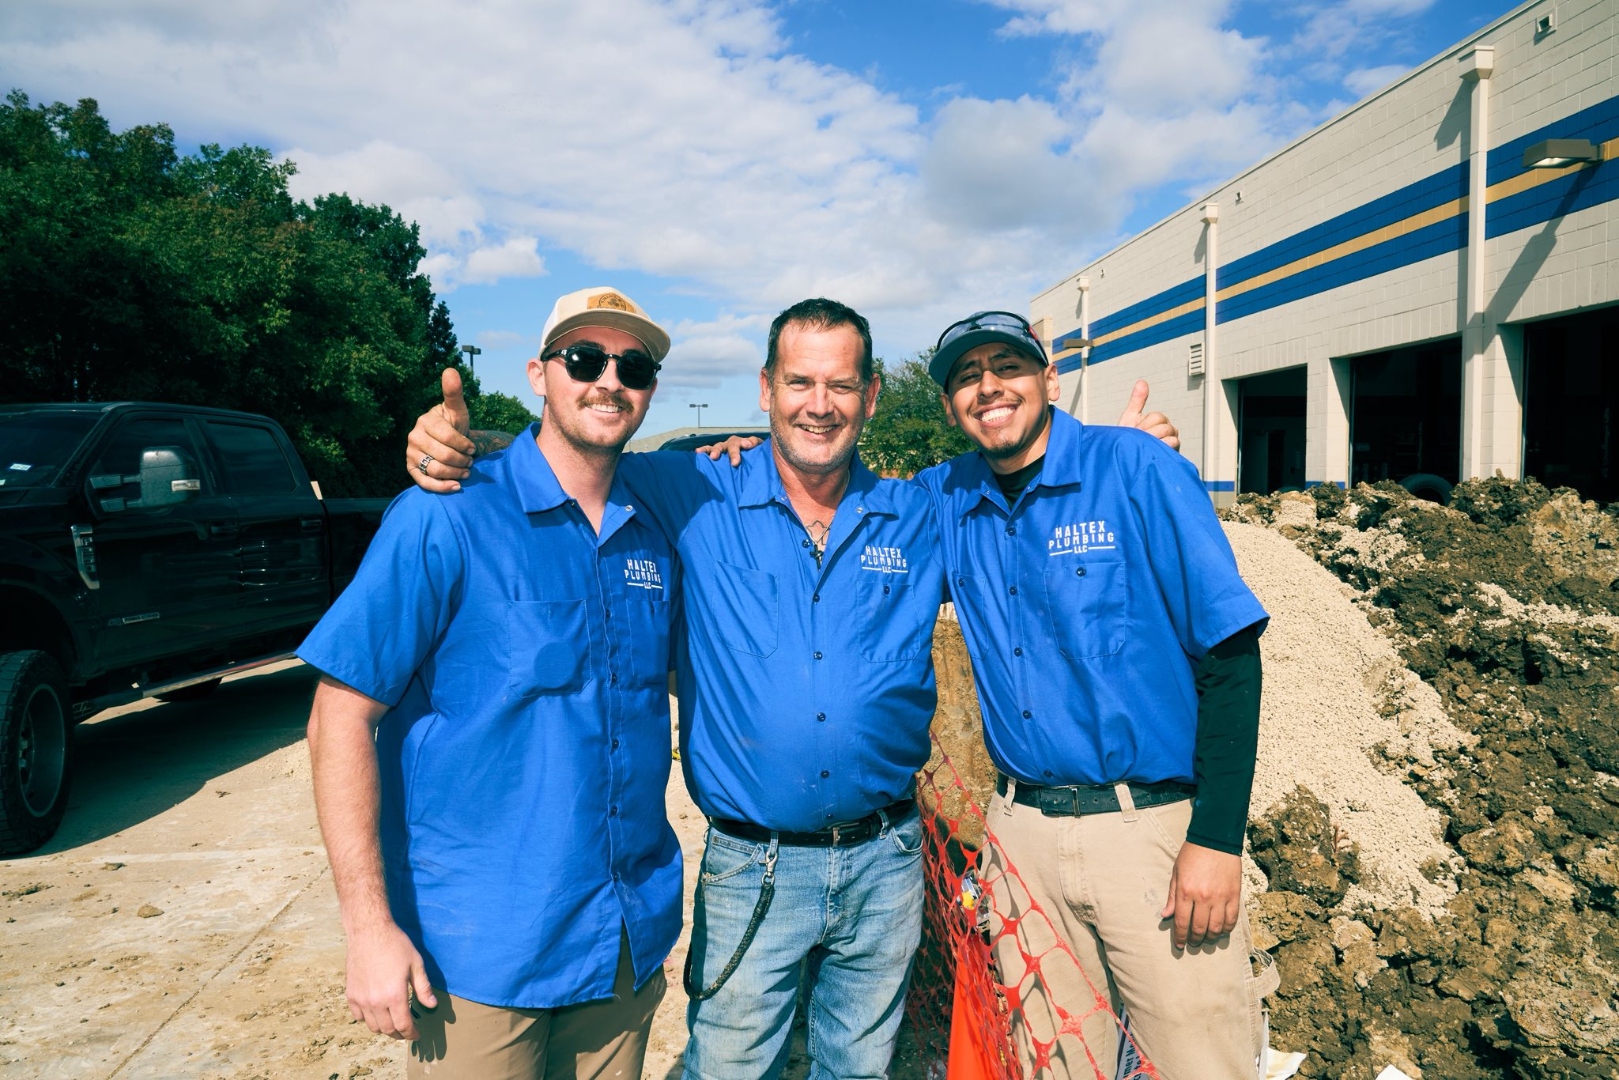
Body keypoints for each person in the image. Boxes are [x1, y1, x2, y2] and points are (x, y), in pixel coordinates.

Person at [403, 298, 1180, 1079]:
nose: (819, 405)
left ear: (870, 395)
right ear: (766, 389)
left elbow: (1020, 497)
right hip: (753, 865)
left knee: (859, 1066)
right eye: (799, 383)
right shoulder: (693, 492)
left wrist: (1114, 464)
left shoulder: (920, 510)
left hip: (886, 859)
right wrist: (462, 445)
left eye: (840, 386)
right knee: (731, 1066)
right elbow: (576, 448)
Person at [299, 286, 683, 1080]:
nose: (609, 380)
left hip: (620, 942)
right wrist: (367, 927)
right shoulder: (443, 515)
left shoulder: (658, 524)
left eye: (634, 365)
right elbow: (339, 715)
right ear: (540, 374)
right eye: (585, 359)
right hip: (480, 955)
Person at [916, 311, 1270, 1079]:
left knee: (1198, 1061)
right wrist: (723, 456)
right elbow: (838, 502)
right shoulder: (945, 498)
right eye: (966, 376)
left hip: (1149, 835)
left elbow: (1230, 658)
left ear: (1047, 379)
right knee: (1053, 1063)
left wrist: (1215, 838)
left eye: (1006, 366)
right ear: (950, 406)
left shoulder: (1136, 469)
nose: (988, 387)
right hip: (1021, 838)